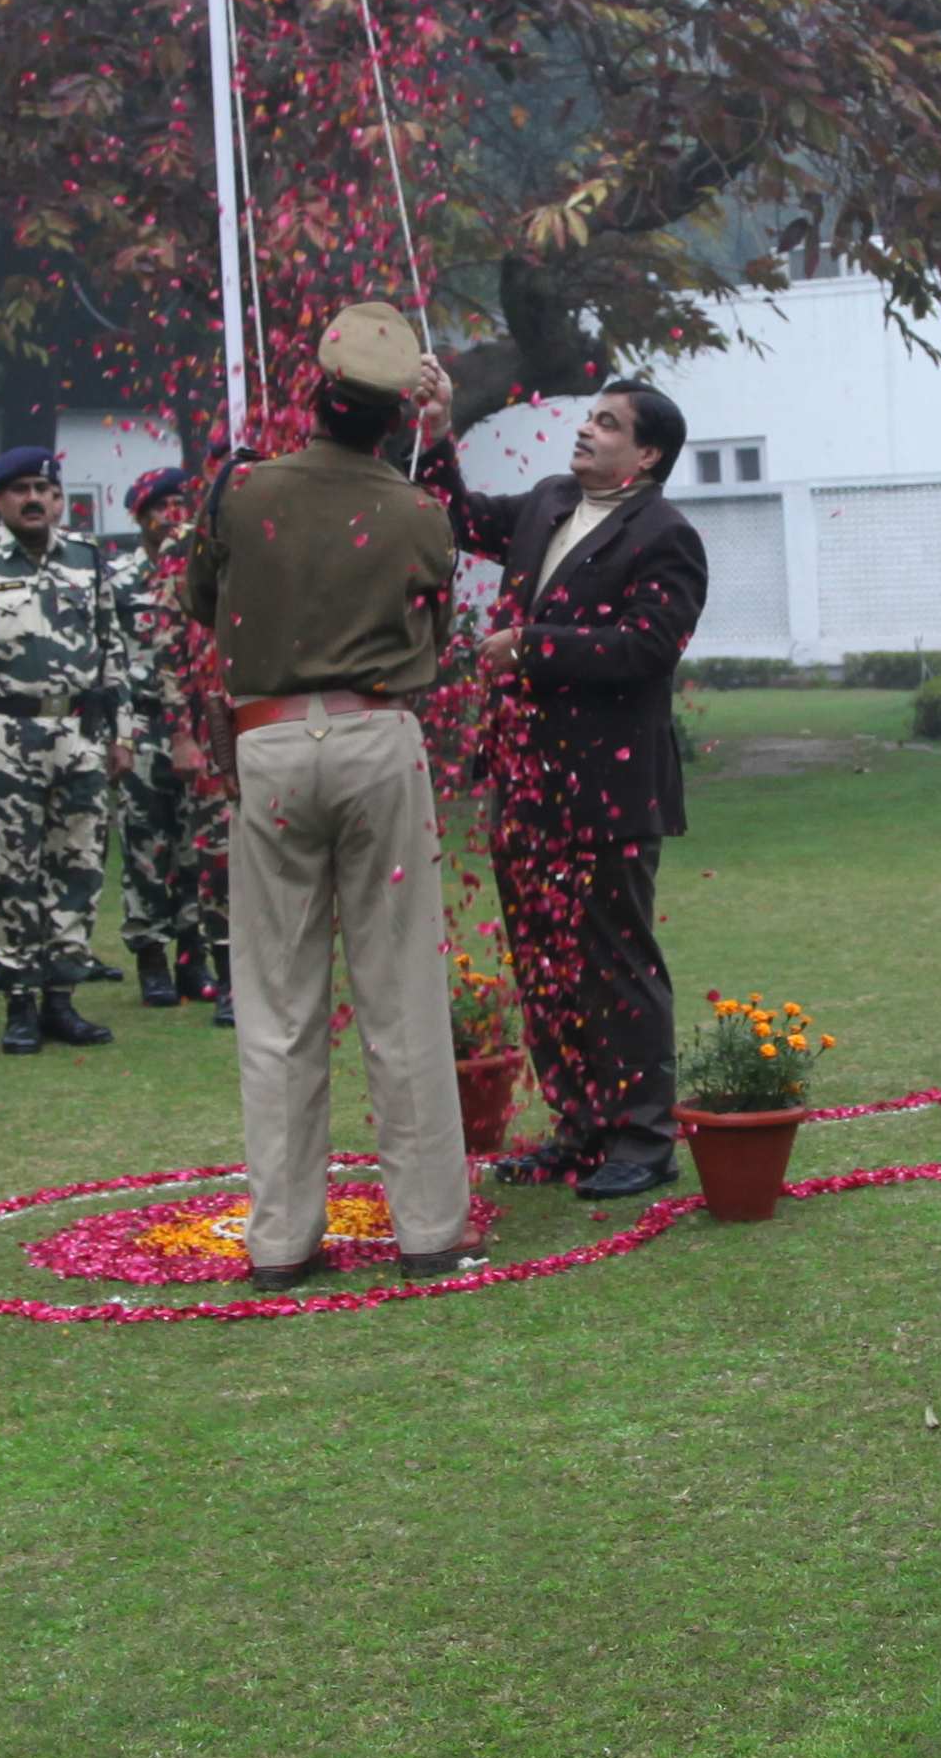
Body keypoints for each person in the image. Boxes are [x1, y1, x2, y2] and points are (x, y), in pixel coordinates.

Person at [184, 306, 472, 1282]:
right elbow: (437, 587)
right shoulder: (412, 506)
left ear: (313, 395)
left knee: (274, 1006)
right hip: (376, 738)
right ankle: (427, 1230)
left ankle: (278, 1243)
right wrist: (439, 434)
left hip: (265, 745)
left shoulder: (239, 490)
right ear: (396, 416)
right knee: (401, 997)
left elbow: (195, 599)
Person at [409, 366, 711, 1201]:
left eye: (608, 424)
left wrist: (532, 644)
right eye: (590, 417)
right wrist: (436, 435)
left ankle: (643, 1137)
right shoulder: (545, 503)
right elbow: (462, 520)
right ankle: (577, 1128)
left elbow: (647, 649)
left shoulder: (666, 537)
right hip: (522, 777)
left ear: (645, 455)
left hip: (608, 788)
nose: (586, 430)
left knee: (614, 961)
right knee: (544, 960)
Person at [0, 448, 131, 1055]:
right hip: (2, 736)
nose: (33, 498)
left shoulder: (88, 562)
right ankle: (19, 1001)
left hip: (78, 733)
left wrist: (122, 737)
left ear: (59, 497)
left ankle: (62, 999)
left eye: (44, 487)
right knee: (9, 869)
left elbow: (112, 654)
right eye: (20, 489)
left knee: (79, 864)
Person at [112, 470, 232, 1014]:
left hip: (199, 726)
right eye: (159, 508)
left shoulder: (202, 570)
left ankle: (193, 958)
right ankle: (151, 959)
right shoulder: (119, 579)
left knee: (195, 847)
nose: (172, 516)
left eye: (180, 504)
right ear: (140, 517)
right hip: (142, 727)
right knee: (145, 845)